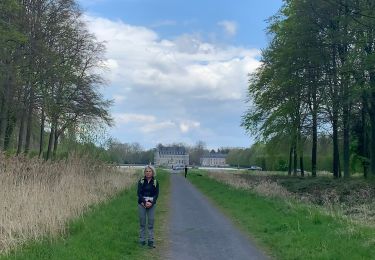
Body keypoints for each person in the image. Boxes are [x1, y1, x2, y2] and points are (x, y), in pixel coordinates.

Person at [137, 165, 159, 248]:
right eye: (146, 171)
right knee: (142, 223)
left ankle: (151, 241)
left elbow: (156, 194)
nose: (148, 173)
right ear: (144, 172)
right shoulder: (141, 181)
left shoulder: (155, 182)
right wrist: (144, 202)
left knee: (151, 223)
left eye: (150, 171)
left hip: (151, 204)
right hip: (142, 204)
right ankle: (142, 241)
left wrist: (151, 203)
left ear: (153, 172)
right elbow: (139, 193)